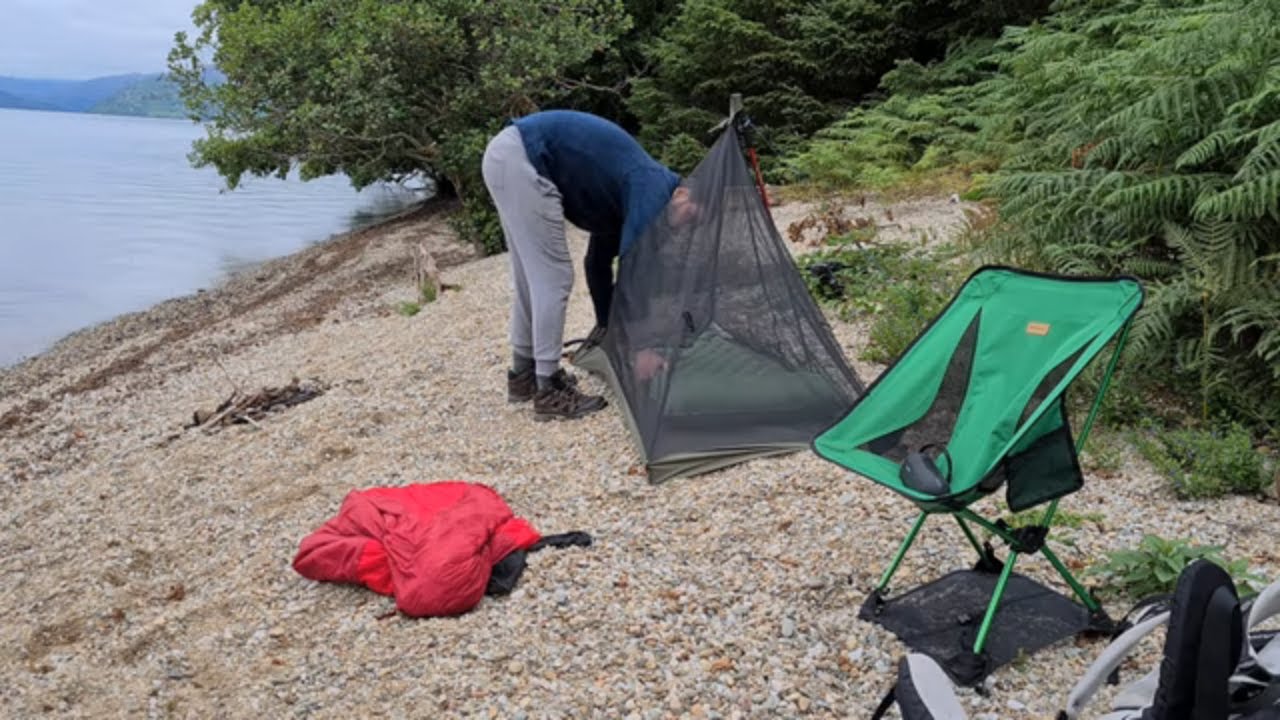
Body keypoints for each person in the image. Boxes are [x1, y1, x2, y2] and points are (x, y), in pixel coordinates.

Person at [481, 109, 697, 421]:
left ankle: (523, 377)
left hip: (508, 155)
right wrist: (643, 349)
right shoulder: (654, 187)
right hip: (525, 158)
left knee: (531, 278)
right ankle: (549, 388)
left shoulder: (629, 195)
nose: (685, 225)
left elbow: (597, 263)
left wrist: (608, 327)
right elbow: (635, 271)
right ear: (682, 193)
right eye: (691, 212)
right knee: (553, 278)